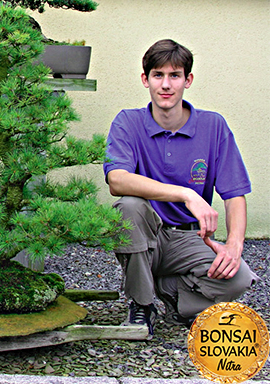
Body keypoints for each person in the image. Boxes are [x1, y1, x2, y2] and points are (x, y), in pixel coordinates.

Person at [103, 39, 259, 338]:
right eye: (158, 75)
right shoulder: (128, 122)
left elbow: (234, 194)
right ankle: (142, 303)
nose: (166, 84)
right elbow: (117, 180)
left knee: (237, 277)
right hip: (146, 234)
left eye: (174, 75)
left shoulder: (213, 126)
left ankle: (170, 293)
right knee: (129, 207)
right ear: (145, 79)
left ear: (187, 80)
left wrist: (235, 245)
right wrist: (186, 194)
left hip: (189, 238)